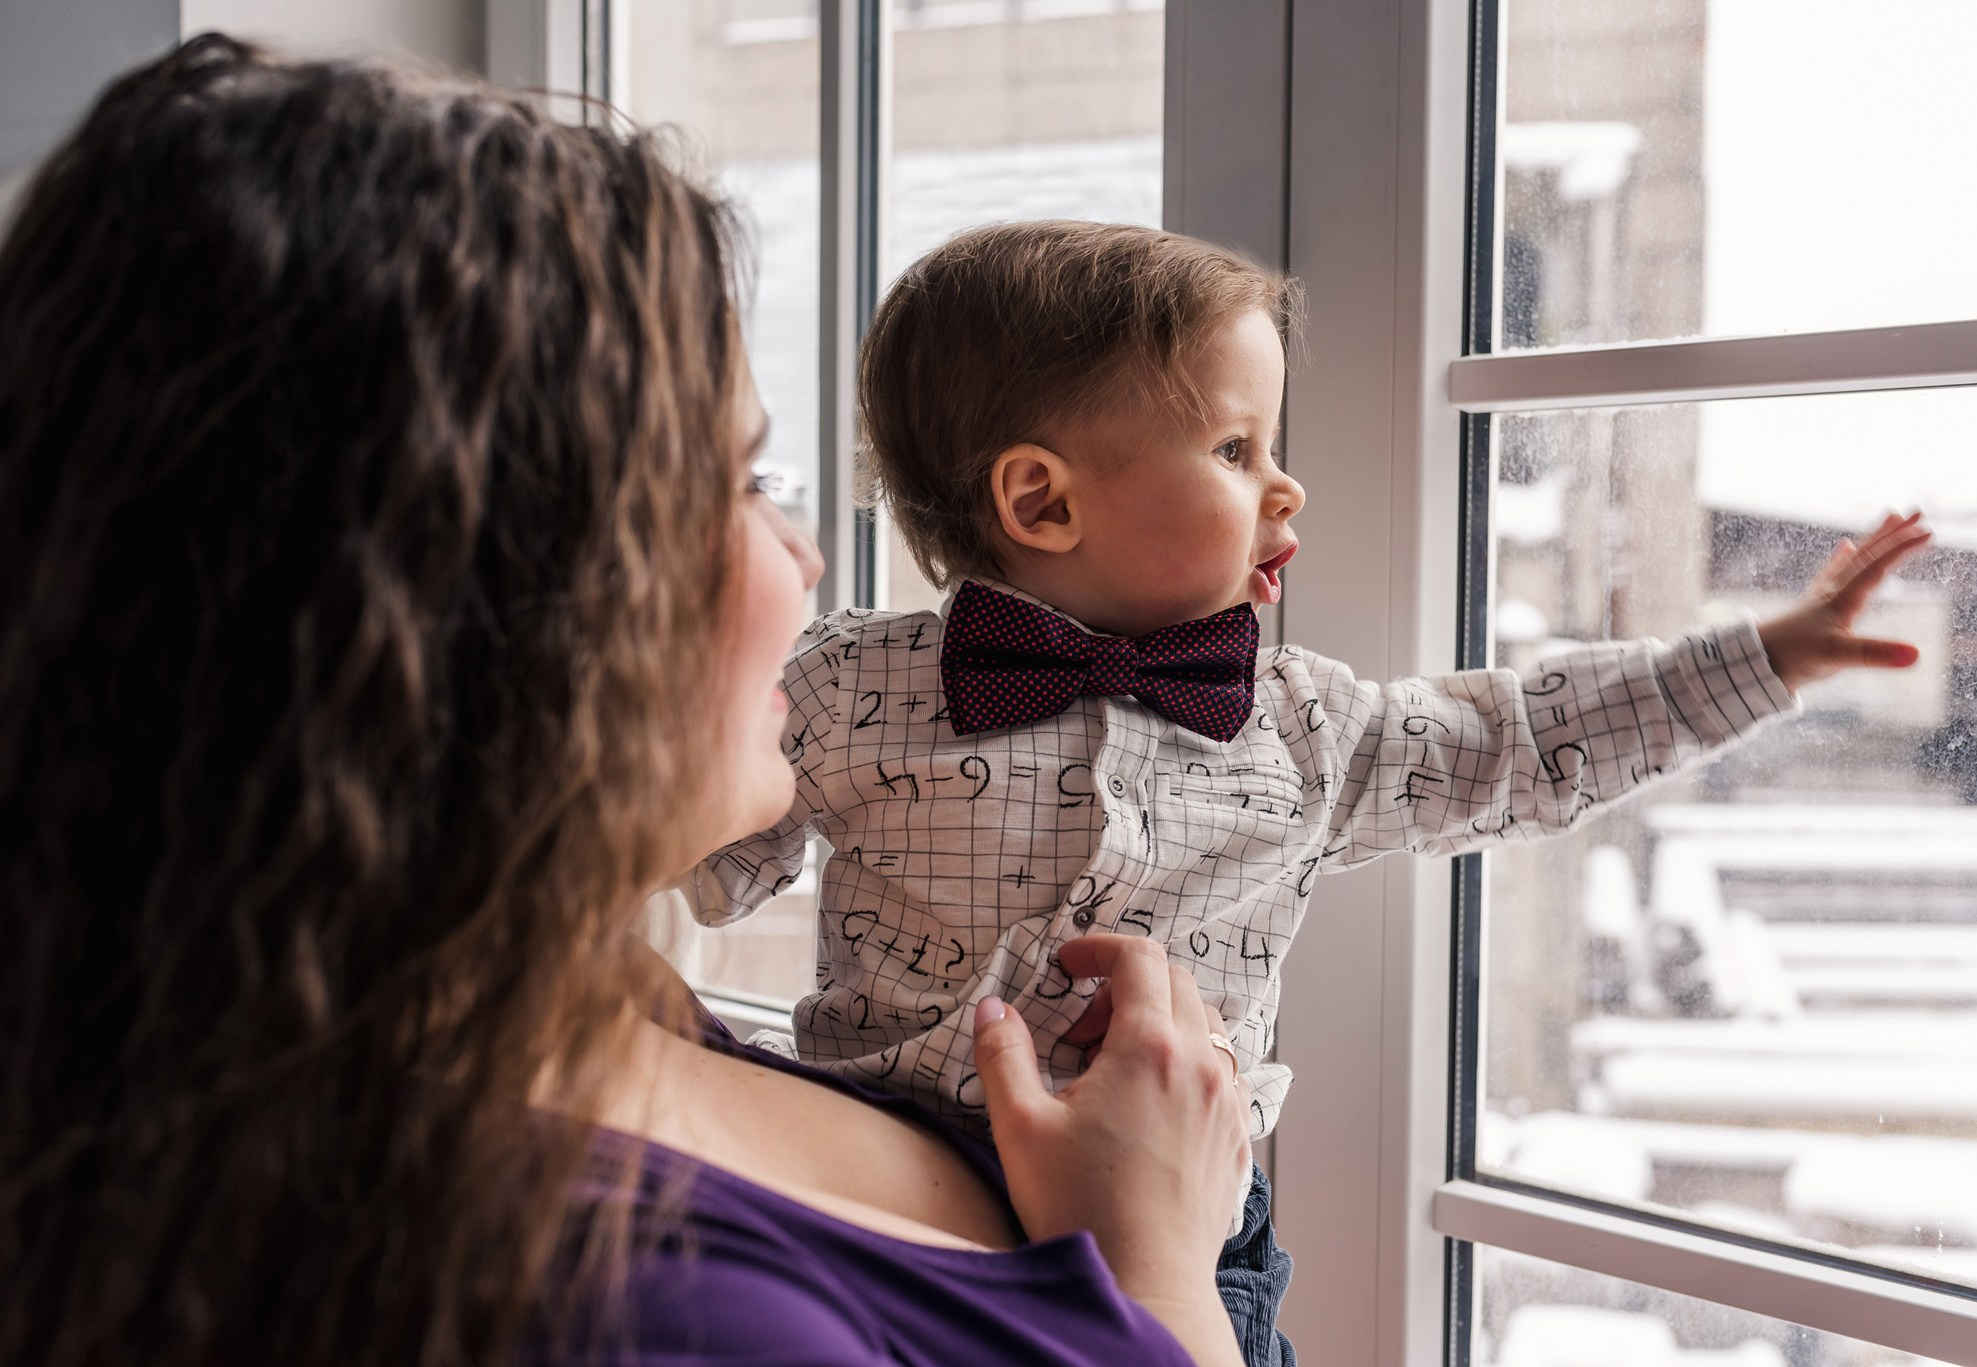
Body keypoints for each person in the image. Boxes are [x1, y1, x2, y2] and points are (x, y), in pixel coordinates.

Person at [0, 36, 1255, 1367]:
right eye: (734, 484)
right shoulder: (665, 1320)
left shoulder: (532, 1001)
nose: (805, 559)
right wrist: (1161, 1272)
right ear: (502, 600)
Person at [688, 220, 1935, 1365]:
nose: (1285, 489)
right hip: (878, 1176)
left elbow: (1514, 741)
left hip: (1187, 1227)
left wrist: (1759, 657)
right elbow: (685, 834)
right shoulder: (849, 687)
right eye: (1235, 449)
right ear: (1040, 500)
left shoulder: (1305, 727)